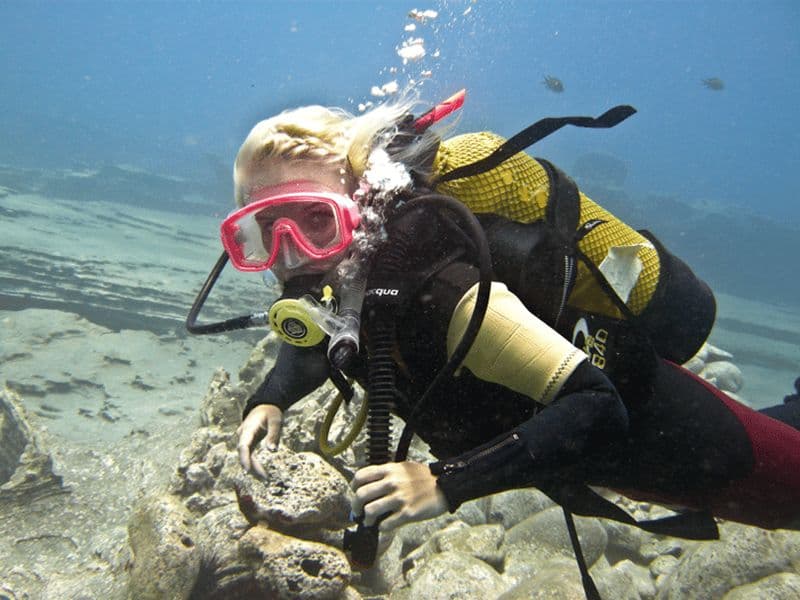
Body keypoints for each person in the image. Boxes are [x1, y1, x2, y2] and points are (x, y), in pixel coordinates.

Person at [194, 94, 800, 558]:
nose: (291, 253)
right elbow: (326, 334)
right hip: (599, 463)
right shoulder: (355, 286)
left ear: (365, 205)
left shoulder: (443, 295)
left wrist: (444, 482)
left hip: (664, 436)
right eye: (264, 231)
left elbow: (597, 405)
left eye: (315, 221)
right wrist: (269, 399)